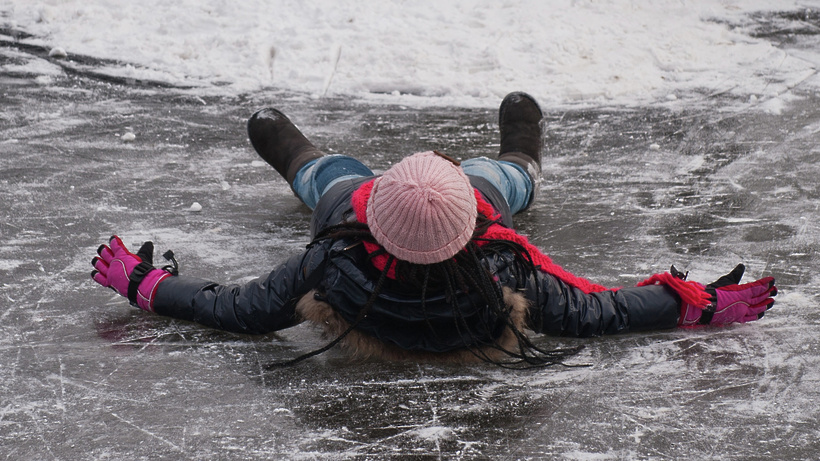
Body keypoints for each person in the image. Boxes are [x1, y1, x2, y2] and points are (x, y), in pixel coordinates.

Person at [90, 92, 778, 367]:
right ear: (473, 228)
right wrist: (694, 304)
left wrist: (147, 285)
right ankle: (522, 156)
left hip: (352, 213)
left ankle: (294, 153)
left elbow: (239, 310)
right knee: (498, 178)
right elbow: (598, 310)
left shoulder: (333, 257)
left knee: (329, 180)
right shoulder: (502, 265)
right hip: (453, 211)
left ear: (375, 213)